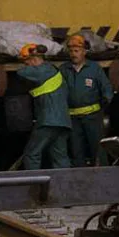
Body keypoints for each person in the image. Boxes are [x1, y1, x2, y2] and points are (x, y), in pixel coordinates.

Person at [59, 35, 113, 167]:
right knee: (76, 150)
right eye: (71, 51)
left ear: (84, 52)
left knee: (98, 148)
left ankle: (103, 175)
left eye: (76, 51)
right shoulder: (64, 70)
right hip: (73, 119)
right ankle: (80, 178)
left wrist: (106, 100)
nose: (73, 54)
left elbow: (106, 87)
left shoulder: (94, 68)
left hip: (93, 117)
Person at [16, 44, 71, 170]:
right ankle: (66, 186)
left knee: (32, 154)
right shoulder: (52, 69)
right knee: (60, 156)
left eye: (26, 62)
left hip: (48, 121)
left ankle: (34, 184)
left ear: (34, 60)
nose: (26, 65)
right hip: (63, 122)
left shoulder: (42, 71)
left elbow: (21, 72)